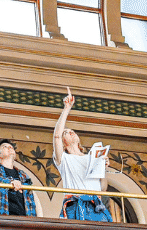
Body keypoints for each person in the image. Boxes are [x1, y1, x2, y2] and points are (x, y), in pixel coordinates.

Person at [52, 89, 112, 221]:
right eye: (66, 132)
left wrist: (103, 169)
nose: (71, 132)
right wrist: (67, 108)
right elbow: (56, 136)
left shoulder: (91, 158)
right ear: (63, 141)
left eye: (73, 131)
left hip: (95, 205)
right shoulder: (64, 159)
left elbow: (102, 189)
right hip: (75, 204)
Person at [0, 140, 36, 216]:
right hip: (3, 219)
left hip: (25, 221)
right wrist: (11, 182)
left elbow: (30, 200)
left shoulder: (23, 175)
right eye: (5, 147)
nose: (10, 148)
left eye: (11, 147)